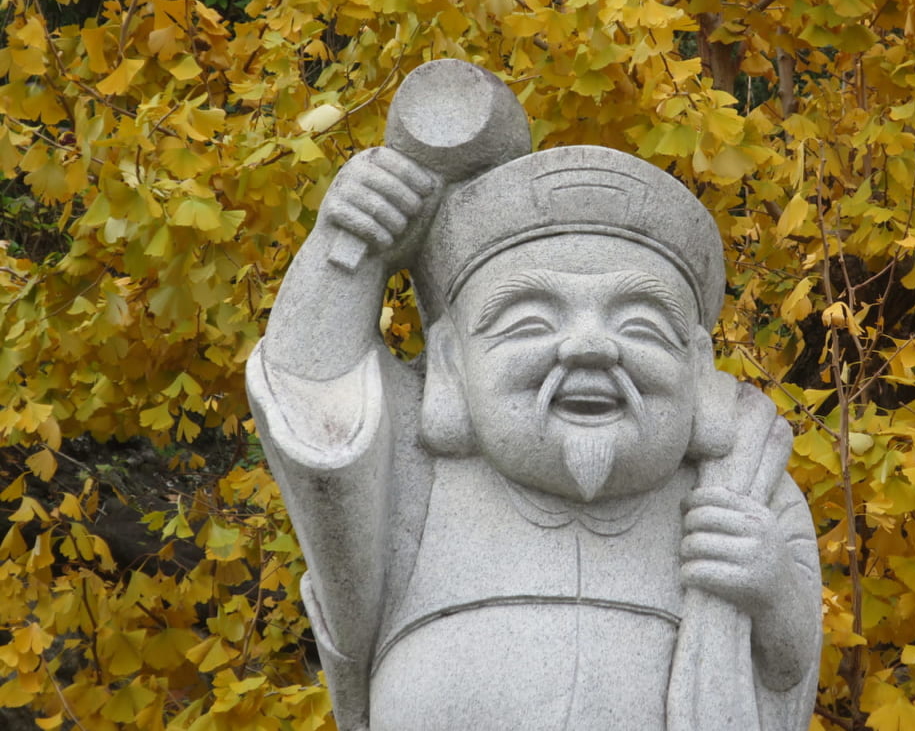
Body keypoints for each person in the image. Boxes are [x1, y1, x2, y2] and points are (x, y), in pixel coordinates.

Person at [247, 112, 821, 730]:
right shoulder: (419, 475)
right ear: (449, 366)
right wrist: (347, 253)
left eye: (641, 325)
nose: (590, 347)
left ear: (699, 372)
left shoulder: (744, 489)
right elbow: (313, 405)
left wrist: (772, 591)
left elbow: (787, 672)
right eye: (529, 322)